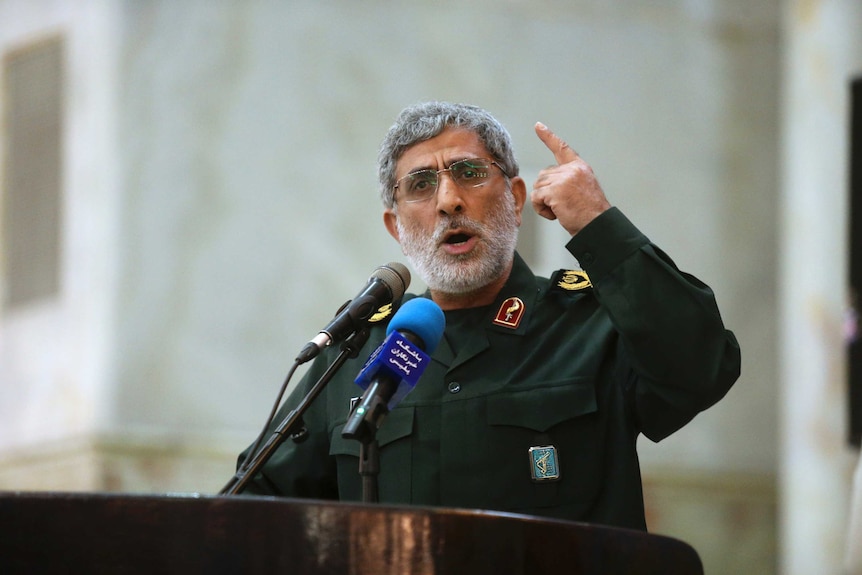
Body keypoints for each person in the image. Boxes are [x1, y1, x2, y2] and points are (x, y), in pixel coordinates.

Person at [236, 101, 741, 531]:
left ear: (515, 199)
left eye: (470, 173)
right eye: (420, 185)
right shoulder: (360, 351)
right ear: (396, 228)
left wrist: (597, 223)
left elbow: (702, 367)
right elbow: (255, 503)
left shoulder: (593, 324)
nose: (449, 200)